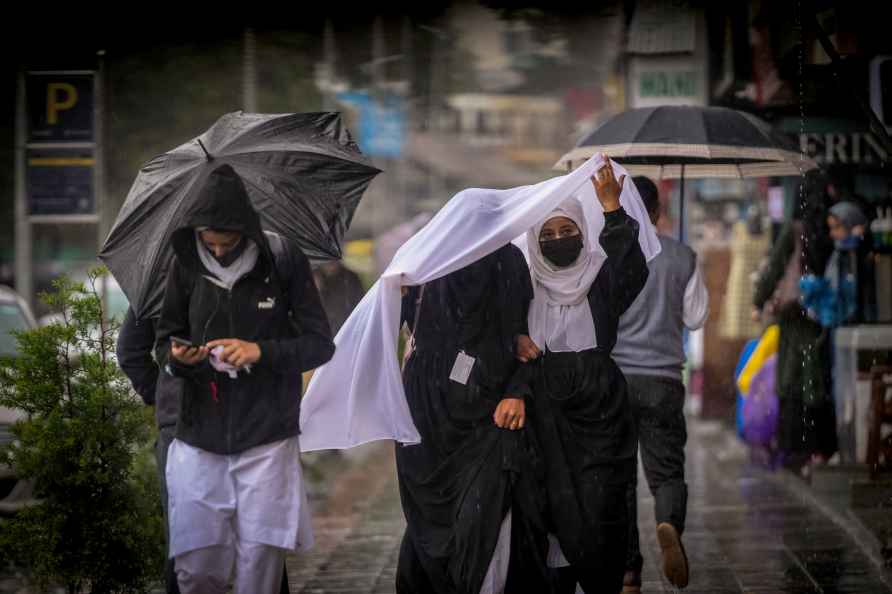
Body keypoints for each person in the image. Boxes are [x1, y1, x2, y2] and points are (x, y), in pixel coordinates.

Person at [154, 164, 334, 594]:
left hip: (267, 436)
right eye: (208, 242)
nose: (216, 251)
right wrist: (182, 359)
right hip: (199, 436)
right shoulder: (184, 265)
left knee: (260, 565)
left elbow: (319, 345)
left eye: (227, 242)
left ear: (247, 231)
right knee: (197, 567)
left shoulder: (283, 261)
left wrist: (261, 351)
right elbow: (163, 344)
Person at [506, 160, 649, 594]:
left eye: (566, 230)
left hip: (601, 413)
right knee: (547, 508)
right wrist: (513, 338)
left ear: (582, 231)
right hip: (544, 415)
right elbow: (495, 323)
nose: (557, 241)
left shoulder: (602, 277)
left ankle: (609, 576)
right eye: (546, 235)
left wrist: (612, 210)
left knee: (602, 503)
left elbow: (633, 269)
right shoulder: (525, 285)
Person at [396, 241, 550, 594]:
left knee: (484, 515)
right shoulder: (426, 262)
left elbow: (526, 336)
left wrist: (516, 391)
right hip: (428, 418)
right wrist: (400, 293)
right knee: (428, 519)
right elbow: (398, 322)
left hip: (490, 416)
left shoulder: (507, 261)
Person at [612, 177, 709, 592]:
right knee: (666, 470)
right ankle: (668, 520)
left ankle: (629, 571)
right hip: (663, 379)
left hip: (614, 380)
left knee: (620, 479)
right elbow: (696, 318)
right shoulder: (681, 256)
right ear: (657, 212)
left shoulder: (607, 253)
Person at [753, 173, 837, 473]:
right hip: (822, 311)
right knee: (816, 376)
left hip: (794, 311)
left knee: (790, 377)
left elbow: (775, 267)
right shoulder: (829, 227)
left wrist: (758, 300)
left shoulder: (795, 229)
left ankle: (793, 447)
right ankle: (821, 445)